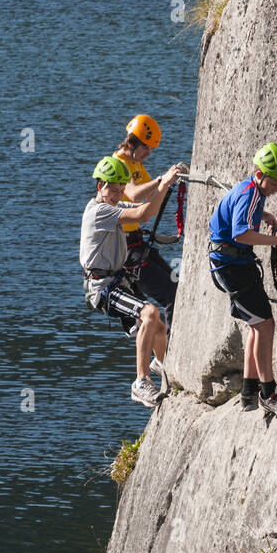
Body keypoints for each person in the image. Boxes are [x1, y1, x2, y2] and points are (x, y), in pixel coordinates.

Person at [81, 155, 185, 407]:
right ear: (100, 187)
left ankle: (166, 372)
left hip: (117, 281)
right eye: (112, 190)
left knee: (158, 327)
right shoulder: (100, 212)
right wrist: (164, 185)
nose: (117, 195)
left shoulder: (112, 207)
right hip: (102, 287)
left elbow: (145, 211)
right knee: (149, 314)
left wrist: (164, 185)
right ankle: (140, 382)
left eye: (120, 190)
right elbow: (143, 214)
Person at [208, 142, 277, 413]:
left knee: (255, 325)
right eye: (274, 182)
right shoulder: (251, 195)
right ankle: (268, 392)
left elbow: (241, 216)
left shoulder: (250, 190)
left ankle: (248, 392)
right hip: (232, 267)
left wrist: (264, 214)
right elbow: (241, 234)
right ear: (259, 174)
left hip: (233, 263)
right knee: (265, 325)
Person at [114, 115, 185, 330]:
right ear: (132, 142)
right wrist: (162, 180)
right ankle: (171, 356)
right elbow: (135, 195)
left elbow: (149, 192)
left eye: (152, 149)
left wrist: (172, 179)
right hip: (124, 248)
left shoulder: (136, 164)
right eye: (146, 148)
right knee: (170, 294)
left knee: (177, 286)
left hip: (137, 243)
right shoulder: (119, 164)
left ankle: (165, 353)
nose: (149, 154)